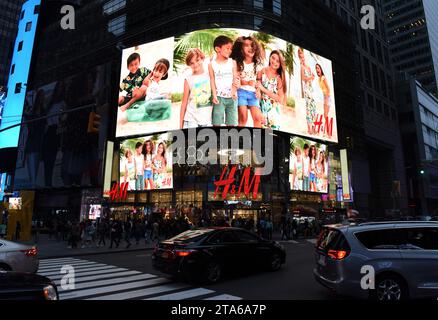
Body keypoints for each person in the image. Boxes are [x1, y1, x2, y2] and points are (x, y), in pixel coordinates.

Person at [231, 36, 264, 128]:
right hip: (241, 92)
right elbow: (235, 78)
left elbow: (258, 80)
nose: (250, 48)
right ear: (241, 49)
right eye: (246, 45)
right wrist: (246, 83)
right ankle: (238, 140)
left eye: (252, 45)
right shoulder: (238, 63)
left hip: (253, 94)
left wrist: (258, 90)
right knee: (243, 118)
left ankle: (257, 140)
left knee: (257, 118)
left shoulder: (258, 65)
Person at [209, 35, 239, 127]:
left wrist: (235, 88)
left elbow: (235, 77)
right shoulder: (211, 64)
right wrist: (214, 95)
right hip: (219, 98)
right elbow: (212, 80)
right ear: (218, 49)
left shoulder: (232, 62)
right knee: (216, 122)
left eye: (231, 49)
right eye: (227, 48)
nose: (230, 51)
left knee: (232, 123)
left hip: (232, 98)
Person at [179, 48, 213, 128]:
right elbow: (184, 103)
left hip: (207, 120)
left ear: (202, 58)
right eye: (192, 63)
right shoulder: (188, 79)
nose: (195, 64)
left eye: (197, 60)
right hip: (191, 119)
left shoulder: (210, 75)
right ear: (189, 65)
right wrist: (180, 125)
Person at [257, 50, 287, 130]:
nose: (274, 62)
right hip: (261, 110)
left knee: (271, 140)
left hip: (273, 114)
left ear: (280, 64)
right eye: (273, 58)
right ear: (269, 57)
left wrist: (263, 89)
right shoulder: (261, 72)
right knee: (259, 138)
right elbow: (257, 91)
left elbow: (280, 99)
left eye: (277, 61)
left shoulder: (279, 79)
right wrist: (258, 111)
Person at [298, 47, 317, 135]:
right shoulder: (301, 67)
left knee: (313, 108)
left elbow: (312, 77)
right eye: (301, 57)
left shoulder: (308, 67)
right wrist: (310, 78)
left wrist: (312, 77)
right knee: (308, 109)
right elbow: (303, 78)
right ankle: (309, 129)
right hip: (306, 90)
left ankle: (314, 128)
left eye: (303, 57)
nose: (302, 59)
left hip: (311, 89)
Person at [315, 63, 332, 138]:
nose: (317, 69)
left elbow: (328, 88)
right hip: (324, 96)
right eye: (316, 68)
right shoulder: (319, 78)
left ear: (321, 69)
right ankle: (327, 132)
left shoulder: (323, 78)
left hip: (327, 97)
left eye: (318, 68)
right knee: (325, 116)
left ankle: (327, 133)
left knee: (326, 115)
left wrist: (326, 97)